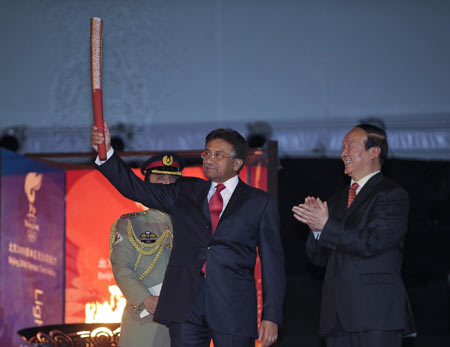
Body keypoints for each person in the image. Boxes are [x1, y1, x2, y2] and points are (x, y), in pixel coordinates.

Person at [91, 122, 285, 347]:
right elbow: (136, 188)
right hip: (185, 309)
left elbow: (273, 265)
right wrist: (107, 153)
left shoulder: (259, 203)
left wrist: (271, 317)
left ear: (237, 163)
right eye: (207, 153)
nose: (210, 159)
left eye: (219, 154)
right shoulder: (186, 190)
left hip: (233, 309)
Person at [292, 124, 415, 347]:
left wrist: (326, 225)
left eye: (350, 146)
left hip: (375, 312)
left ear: (374, 151)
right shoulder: (337, 200)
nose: (343, 153)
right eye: (342, 147)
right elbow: (318, 259)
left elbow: (373, 241)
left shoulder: (391, 194)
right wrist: (316, 229)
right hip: (336, 316)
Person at [110, 152, 184, 347]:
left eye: (173, 179)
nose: (167, 184)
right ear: (146, 184)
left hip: (187, 322)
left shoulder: (193, 223)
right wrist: (145, 299)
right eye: (160, 178)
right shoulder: (131, 224)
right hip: (146, 318)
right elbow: (122, 268)